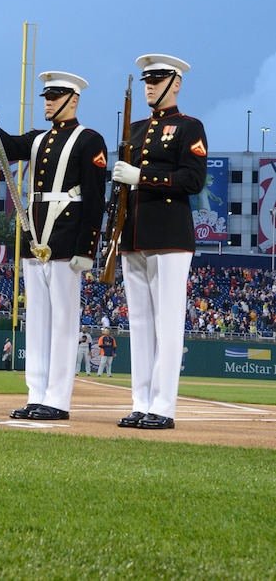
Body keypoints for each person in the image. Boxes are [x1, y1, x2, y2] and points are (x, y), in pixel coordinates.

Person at [0, 71, 107, 421]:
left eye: (55, 96)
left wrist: (87, 247)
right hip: (36, 240)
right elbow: (6, 148)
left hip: (67, 240)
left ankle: (58, 399)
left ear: (73, 100)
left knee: (63, 322)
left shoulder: (89, 140)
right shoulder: (37, 139)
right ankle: (36, 393)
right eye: (46, 97)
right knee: (36, 322)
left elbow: (95, 199)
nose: (48, 102)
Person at [113, 54, 207, 430]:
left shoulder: (189, 127)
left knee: (168, 323)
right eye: (146, 80)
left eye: (157, 79)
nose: (149, 85)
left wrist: (142, 175)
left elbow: (192, 180)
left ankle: (163, 406)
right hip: (135, 233)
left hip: (169, 233)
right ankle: (141, 401)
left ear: (176, 83)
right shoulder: (134, 130)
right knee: (139, 323)